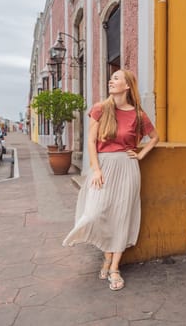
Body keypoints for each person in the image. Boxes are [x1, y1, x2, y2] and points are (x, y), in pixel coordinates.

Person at [62, 69, 159, 291]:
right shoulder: (100, 109)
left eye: (116, 78)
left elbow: (155, 137)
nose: (111, 80)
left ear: (127, 86)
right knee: (95, 213)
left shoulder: (138, 115)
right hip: (103, 167)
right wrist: (95, 170)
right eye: (111, 78)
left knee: (121, 217)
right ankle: (107, 256)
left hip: (128, 168)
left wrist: (141, 154)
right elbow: (90, 142)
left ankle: (114, 266)